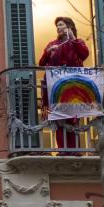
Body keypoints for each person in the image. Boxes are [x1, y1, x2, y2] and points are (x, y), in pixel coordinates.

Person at [38, 16, 90, 151]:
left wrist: (73, 38)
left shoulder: (77, 42)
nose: (58, 28)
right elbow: (41, 63)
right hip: (56, 85)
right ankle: (62, 149)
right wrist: (48, 52)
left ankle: (75, 150)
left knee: (73, 116)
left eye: (61, 25)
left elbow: (84, 54)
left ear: (69, 27)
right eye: (57, 26)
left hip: (72, 85)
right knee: (58, 117)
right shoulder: (52, 44)